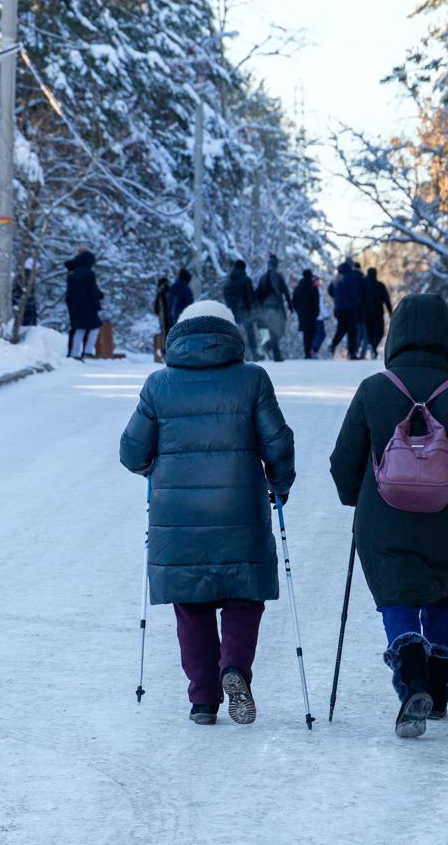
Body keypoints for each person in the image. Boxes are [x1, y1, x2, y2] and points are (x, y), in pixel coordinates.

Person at [328, 293, 448, 738]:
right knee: (443, 592)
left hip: (383, 517)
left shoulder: (374, 389)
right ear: (445, 339)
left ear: (397, 337)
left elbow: (342, 460)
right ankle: (441, 692)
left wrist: (355, 498)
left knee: (397, 595)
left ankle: (413, 677)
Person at [120, 299, 296, 726]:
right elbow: (278, 443)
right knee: (244, 593)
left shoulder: (158, 385)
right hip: (241, 507)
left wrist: (154, 469)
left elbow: (131, 452)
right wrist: (280, 483)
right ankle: (234, 667)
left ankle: (203, 700)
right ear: (229, 334)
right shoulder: (252, 379)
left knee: (191, 603)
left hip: (178, 515)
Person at [253, 253, 292, 362]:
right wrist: (290, 306)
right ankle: (267, 346)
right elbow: (286, 292)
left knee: (272, 330)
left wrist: (257, 310)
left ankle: (277, 356)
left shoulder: (263, 277)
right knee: (280, 331)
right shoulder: (279, 277)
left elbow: (257, 295)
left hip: (266, 309)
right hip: (277, 309)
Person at [65, 250, 103, 359]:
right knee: (95, 327)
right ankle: (87, 351)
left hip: (74, 305)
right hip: (88, 305)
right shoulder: (89, 273)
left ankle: (74, 353)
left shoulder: (72, 272)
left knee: (79, 328)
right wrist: (97, 304)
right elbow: (92, 290)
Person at [223, 259, 260, 359]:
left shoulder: (229, 280)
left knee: (234, 334)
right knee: (250, 333)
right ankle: (255, 354)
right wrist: (254, 311)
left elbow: (225, 294)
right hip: (245, 312)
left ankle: (232, 355)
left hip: (232, 311)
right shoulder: (246, 279)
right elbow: (250, 297)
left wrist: (230, 306)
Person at [327, 261, 364, 359]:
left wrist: (337, 299)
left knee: (341, 329)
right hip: (350, 309)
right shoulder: (351, 277)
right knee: (352, 330)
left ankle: (333, 345)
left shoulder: (336, 277)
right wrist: (357, 302)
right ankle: (352, 353)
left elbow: (330, 290)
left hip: (339, 309)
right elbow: (354, 292)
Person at [362, 267, 393, 360]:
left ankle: (372, 347)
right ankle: (373, 347)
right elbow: (386, 299)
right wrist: (390, 312)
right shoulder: (380, 285)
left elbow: (359, 300)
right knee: (380, 332)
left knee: (370, 333)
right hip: (378, 313)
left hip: (366, 313)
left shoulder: (363, 286)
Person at [291, 269, 321, 359]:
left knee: (305, 334)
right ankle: (309, 352)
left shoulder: (297, 288)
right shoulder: (313, 288)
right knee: (311, 333)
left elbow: (294, 302)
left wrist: (299, 311)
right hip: (311, 314)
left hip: (302, 314)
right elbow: (316, 302)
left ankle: (306, 352)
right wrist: (316, 313)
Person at [152, 277, 172, 362]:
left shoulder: (160, 293)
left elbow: (156, 309)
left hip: (163, 319)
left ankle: (165, 355)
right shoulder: (171, 291)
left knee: (165, 336)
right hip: (172, 318)